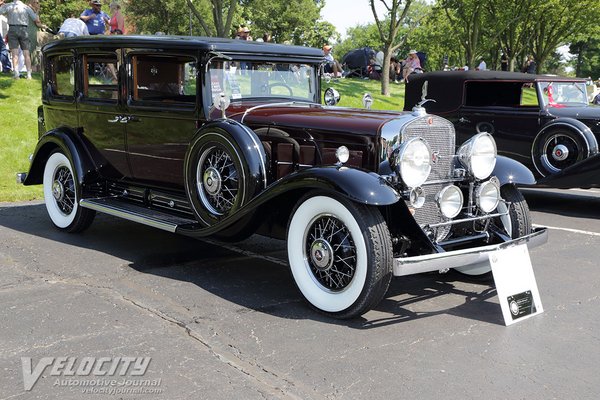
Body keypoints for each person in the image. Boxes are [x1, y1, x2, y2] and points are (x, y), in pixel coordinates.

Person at [0, 0, 44, 79]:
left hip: (12, 28)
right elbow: (35, 19)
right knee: (26, 54)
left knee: (14, 54)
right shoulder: (26, 7)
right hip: (24, 29)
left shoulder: (9, 5)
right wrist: (36, 11)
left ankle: (16, 74)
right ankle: (29, 75)